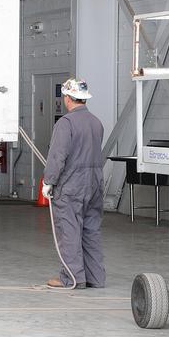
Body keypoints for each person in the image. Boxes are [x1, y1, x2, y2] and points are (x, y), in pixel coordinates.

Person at [42, 78, 106, 289]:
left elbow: (58, 156)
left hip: (72, 184)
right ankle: (96, 278)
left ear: (68, 99)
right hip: (95, 183)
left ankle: (72, 278)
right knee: (91, 231)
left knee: (69, 230)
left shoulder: (65, 123)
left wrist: (49, 181)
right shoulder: (97, 122)